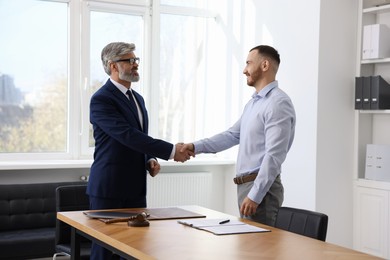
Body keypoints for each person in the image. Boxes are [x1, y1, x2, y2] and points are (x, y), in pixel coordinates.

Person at [88, 42, 193, 260]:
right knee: (105, 251)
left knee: (134, 246)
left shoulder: (138, 98)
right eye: (130, 60)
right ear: (113, 66)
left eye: (136, 60)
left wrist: (150, 157)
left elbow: (137, 138)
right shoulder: (101, 99)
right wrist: (172, 150)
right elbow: (126, 135)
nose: (136, 64)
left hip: (135, 188)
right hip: (109, 188)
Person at [181, 45, 296, 226]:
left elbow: (274, 156)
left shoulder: (278, 103)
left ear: (264, 65)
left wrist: (255, 195)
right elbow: (232, 135)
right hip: (246, 187)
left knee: (259, 251)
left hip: (261, 190)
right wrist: (195, 147)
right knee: (249, 248)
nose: (244, 70)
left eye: (249, 63)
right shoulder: (254, 103)